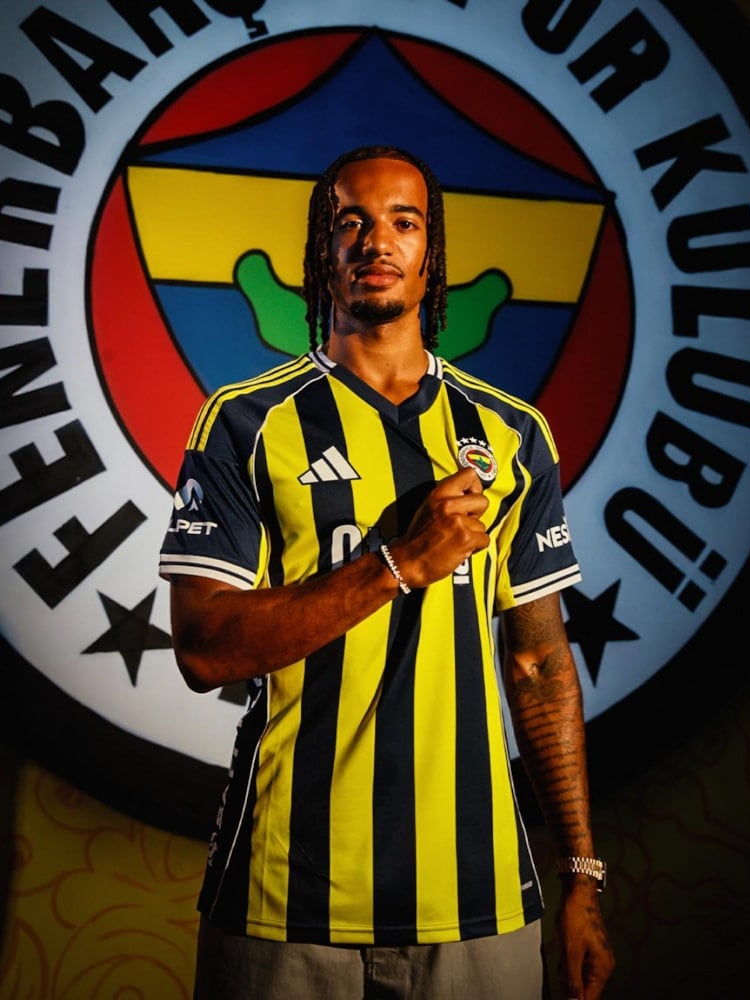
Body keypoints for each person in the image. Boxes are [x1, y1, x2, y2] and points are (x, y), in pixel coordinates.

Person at [160, 145, 614, 999]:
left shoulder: (512, 432)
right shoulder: (247, 423)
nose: (377, 241)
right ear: (321, 251)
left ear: (432, 252)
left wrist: (581, 875)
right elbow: (204, 647)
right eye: (352, 222)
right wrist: (399, 564)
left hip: (476, 899)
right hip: (284, 898)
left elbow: (540, 665)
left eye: (404, 221)